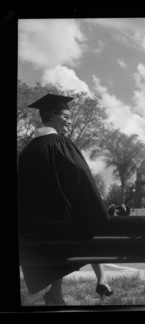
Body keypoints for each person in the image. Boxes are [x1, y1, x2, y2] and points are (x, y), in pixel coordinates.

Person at [18, 94, 113, 305]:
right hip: (63, 230)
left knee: (68, 226)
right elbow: (81, 179)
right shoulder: (60, 143)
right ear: (51, 116)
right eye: (66, 116)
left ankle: (57, 294)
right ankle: (102, 278)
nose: (70, 121)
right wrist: (96, 207)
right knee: (88, 223)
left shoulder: (26, 153)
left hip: (36, 233)